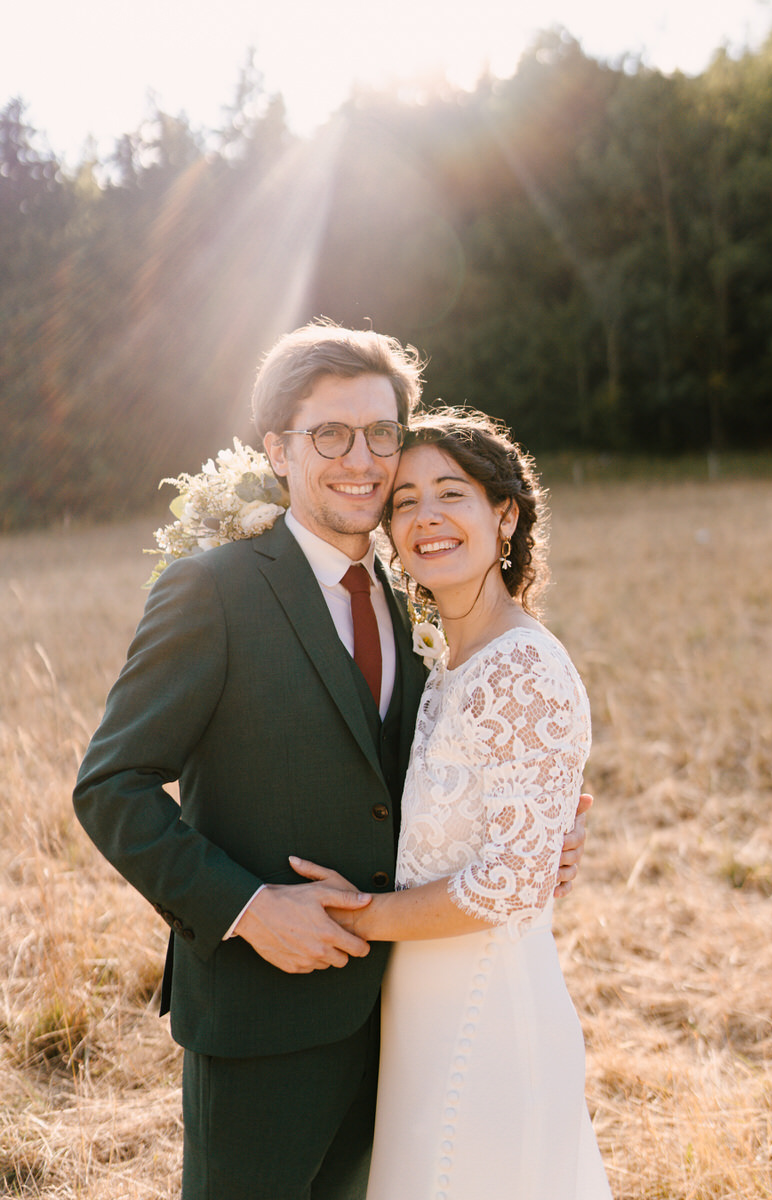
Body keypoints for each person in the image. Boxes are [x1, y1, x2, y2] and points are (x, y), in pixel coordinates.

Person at [73, 323, 590, 1200]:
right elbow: (110, 786)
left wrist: (533, 843)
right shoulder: (214, 589)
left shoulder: (414, 598)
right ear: (278, 450)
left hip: (403, 1020)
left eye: (381, 433)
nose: (363, 458)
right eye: (330, 435)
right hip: (260, 1020)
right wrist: (245, 906)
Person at [292, 409, 611, 1198]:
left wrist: (352, 916)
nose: (424, 519)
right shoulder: (441, 663)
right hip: (420, 1007)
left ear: (504, 513)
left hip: (488, 1015)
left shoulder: (522, 668)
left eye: (450, 494)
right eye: (403, 503)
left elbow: (509, 883)